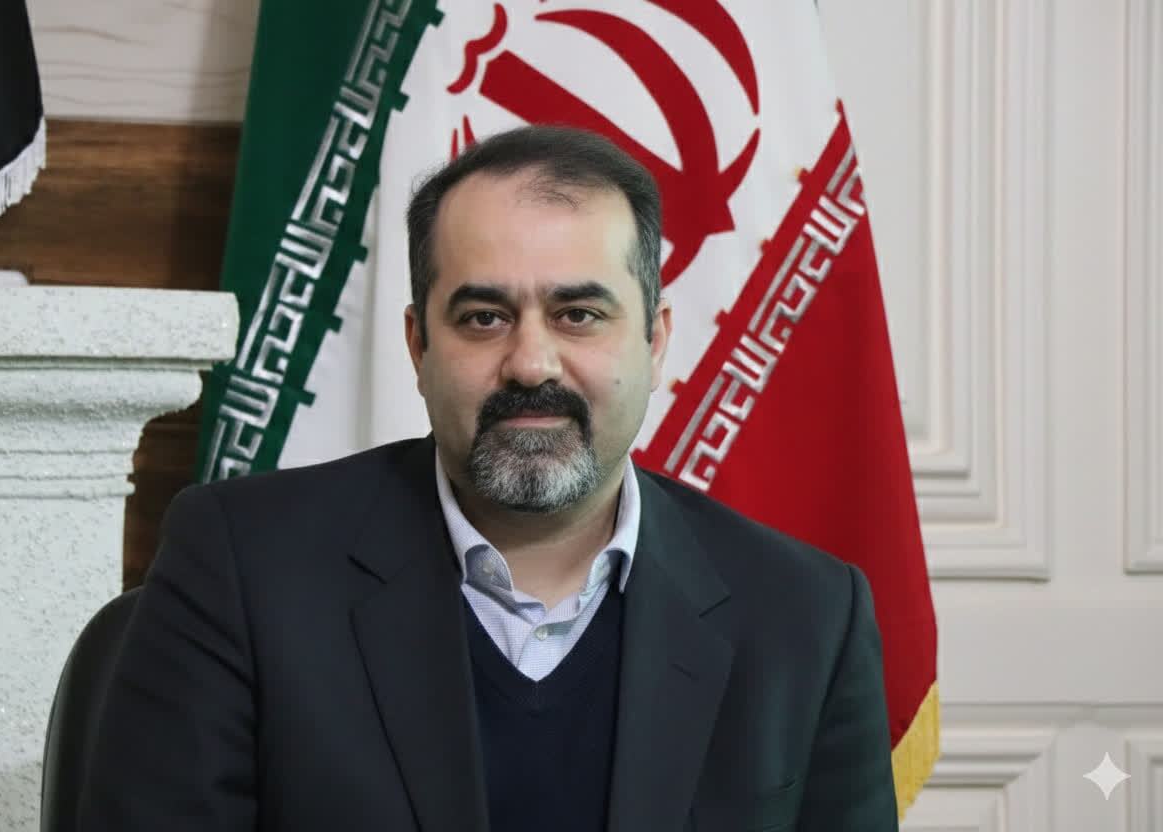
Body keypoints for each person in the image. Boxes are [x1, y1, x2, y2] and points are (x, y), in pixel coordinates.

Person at [80, 125, 898, 831]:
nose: (531, 362)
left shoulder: (807, 618)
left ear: (654, 343)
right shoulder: (241, 567)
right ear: (418, 346)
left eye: (578, 314)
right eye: (483, 318)